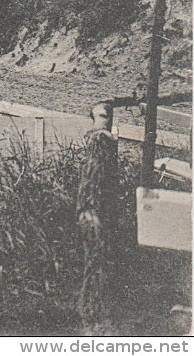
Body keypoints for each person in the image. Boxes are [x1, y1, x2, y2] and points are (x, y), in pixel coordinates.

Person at [76, 102, 119, 324]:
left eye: (106, 116)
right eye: (101, 116)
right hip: (93, 210)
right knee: (95, 262)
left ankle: (92, 307)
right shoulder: (100, 140)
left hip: (93, 209)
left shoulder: (100, 142)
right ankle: (91, 309)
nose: (105, 120)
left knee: (96, 261)